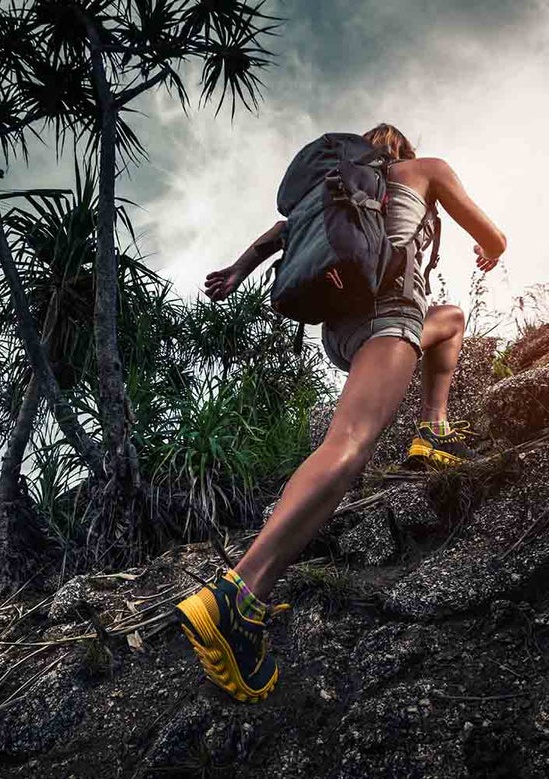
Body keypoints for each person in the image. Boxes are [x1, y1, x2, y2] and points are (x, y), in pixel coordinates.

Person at [176, 123, 506, 703]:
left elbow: (279, 235)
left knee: (449, 319)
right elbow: (495, 237)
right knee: (349, 445)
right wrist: (490, 250)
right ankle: (239, 596)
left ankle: (432, 430)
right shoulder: (425, 171)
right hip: (390, 314)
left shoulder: (330, 193)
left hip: (343, 328)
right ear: (402, 147)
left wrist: (236, 271)